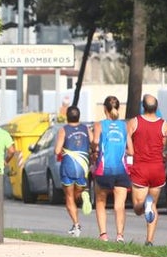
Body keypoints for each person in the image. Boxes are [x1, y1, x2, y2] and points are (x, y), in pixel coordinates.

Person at [126, 94, 167, 246]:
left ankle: (145, 204)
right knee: (153, 206)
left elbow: (130, 149)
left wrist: (129, 152)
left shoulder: (134, 122)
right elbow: (166, 144)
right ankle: (149, 240)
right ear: (156, 108)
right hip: (158, 168)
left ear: (143, 106)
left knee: (138, 208)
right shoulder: (164, 125)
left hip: (141, 168)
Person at [90, 95, 130, 243]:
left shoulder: (99, 125)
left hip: (103, 169)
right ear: (118, 108)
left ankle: (103, 235)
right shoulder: (124, 126)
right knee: (120, 205)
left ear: (104, 109)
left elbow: (95, 141)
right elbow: (131, 150)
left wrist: (94, 149)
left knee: (101, 201)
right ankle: (120, 235)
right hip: (121, 170)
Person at [53, 104, 91, 236]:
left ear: (67, 117)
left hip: (69, 165)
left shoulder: (64, 130)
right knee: (77, 192)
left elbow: (57, 150)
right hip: (83, 166)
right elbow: (94, 144)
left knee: (69, 197)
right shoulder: (86, 129)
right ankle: (83, 195)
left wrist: (60, 149)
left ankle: (76, 225)